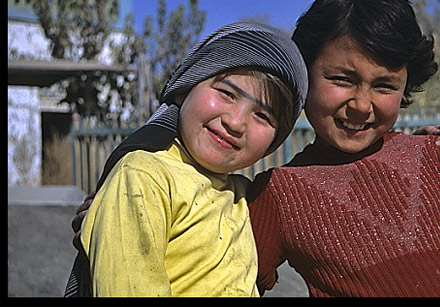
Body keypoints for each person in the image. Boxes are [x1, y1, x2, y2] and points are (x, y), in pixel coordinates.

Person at [247, 0, 440, 297]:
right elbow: (236, 284)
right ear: (303, 74)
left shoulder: (439, 156)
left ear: (406, 85)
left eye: (384, 85)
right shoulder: (278, 193)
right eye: (341, 79)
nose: (362, 105)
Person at [64, 22, 309, 297]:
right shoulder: (144, 177)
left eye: (263, 116)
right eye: (227, 93)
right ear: (184, 88)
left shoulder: (244, 196)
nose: (236, 122)